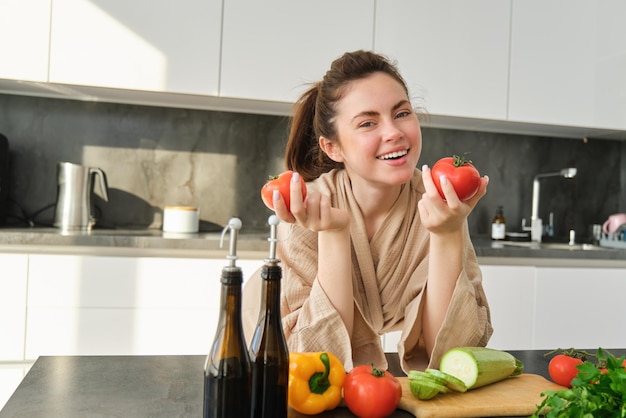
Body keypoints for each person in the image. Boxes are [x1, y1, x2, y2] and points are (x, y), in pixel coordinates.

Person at [242, 50, 492, 373]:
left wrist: (447, 235)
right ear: (333, 147)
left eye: (402, 113)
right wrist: (334, 233)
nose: (393, 132)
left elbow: (453, 356)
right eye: (368, 122)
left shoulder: (439, 203)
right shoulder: (309, 208)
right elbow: (315, 361)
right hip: (260, 360)